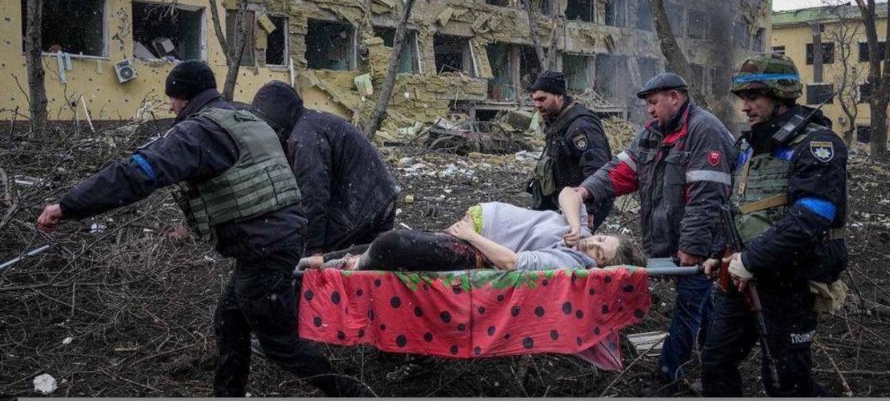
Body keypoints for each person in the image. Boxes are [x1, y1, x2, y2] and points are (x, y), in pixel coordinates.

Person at [36, 61, 366, 397]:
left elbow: (136, 173)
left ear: (185, 96)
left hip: (264, 247)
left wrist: (69, 205)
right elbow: (240, 178)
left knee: (280, 344)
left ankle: (354, 393)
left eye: (173, 99)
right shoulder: (243, 117)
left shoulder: (199, 132)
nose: (170, 106)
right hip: (278, 238)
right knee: (230, 320)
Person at [574, 72, 734, 392]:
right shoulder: (651, 133)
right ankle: (717, 360)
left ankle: (668, 375)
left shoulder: (705, 131)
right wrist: (586, 191)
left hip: (703, 242)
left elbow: (707, 199)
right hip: (673, 241)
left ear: (675, 97)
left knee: (688, 307)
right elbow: (621, 170)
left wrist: (693, 246)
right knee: (703, 304)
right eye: (648, 104)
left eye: (653, 102)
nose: (649, 110)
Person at [700, 53, 848, 396]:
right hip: (739, 276)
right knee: (715, 361)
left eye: (754, 97)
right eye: (743, 98)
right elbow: (738, 207)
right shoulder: (750, 145)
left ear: (780, 94)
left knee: (786, 380)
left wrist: (751, 261)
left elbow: (812, 217)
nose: (745, 107)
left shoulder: (817, 145)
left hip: (789, 281)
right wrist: (715, 252)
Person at [303, 188, 642, 272]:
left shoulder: (568, 263)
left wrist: (470, 236)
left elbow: (511, 262)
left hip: (476, 249)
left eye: (598, 253)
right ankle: (312, 261)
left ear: (598, 267)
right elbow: (570, 192)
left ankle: (343, 267)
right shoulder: (578, 230)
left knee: (391, 243)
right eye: (599, 239)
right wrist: (573, 224)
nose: (591, 245)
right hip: (473, 228)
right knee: (381, 243)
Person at [251, 80, 400, 255]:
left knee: (309, 262)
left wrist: (314, 248)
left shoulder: (304, 138)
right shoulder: (312, 123)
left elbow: (313, 194)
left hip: (363, 204)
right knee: (367, 267)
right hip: (380, 196)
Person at [527, 70, 613, 230]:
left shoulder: (581, 126)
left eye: (542, 99)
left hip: (580, 204)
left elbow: (597, 170)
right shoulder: (558, 121)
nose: (537, 105)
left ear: (559, 96)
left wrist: (589, 209)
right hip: (564, 202)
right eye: (535, 100)